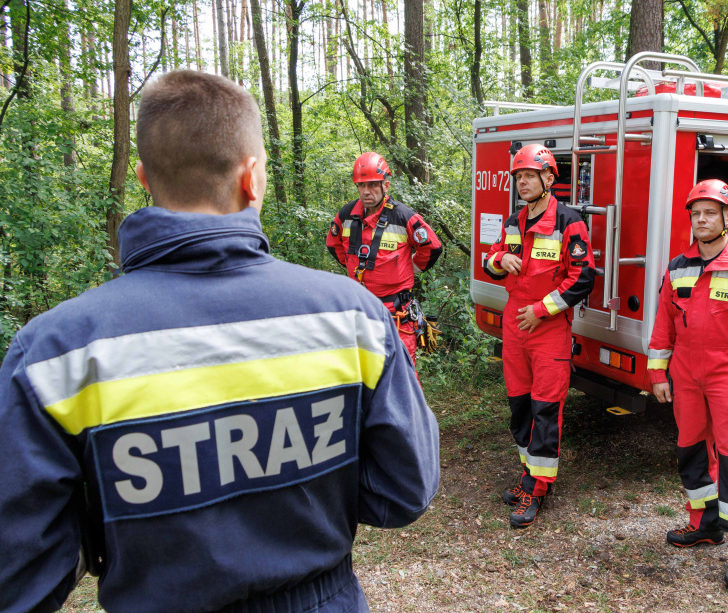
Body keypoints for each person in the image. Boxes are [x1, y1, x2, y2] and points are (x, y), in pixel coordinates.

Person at [0, 70, 440, 613]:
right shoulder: (352, 321)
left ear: (144, 177)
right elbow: (405, 489)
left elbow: (18, 574)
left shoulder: (53, 355)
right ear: (253, 178)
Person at [647, 179, 728, 590]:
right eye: (695, 213)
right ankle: (705, 524)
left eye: (710, 213)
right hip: (685, 376)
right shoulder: (678, 266)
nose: (701, 220)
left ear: (727, 217)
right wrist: (656, 373)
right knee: (690, 451)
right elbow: (663, 324)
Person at [482, 144, 595, 527]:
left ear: (549, 178)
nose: (523, 182)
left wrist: (542, 309)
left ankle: (538, 486)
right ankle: (530, 473)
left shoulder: (569, 221)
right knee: (519, 407)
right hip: (515, 325)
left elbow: (582, 276)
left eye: (530, 175)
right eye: (518, 176)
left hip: (547, 329)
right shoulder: (514, 221)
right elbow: (490, 259)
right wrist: (500, 260)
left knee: (546, 409)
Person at [325, 152, 443, 364]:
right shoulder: (346, 215)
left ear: (385, 186)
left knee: (402, 372)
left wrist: (410, 267)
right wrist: (352, 268)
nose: (366, 191)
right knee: (363, 372)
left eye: (372, 185)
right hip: (360, 310)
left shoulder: (403, 216)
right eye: (361, 186)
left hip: (396, 313)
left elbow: (432, 248)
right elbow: (333, 245)